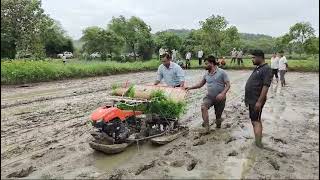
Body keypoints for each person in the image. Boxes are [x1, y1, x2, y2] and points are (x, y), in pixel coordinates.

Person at [186, 55, 230, 133]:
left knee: (218, 118)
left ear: (212, 63)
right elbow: (200, 84)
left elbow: (228, 85)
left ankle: (218, 122)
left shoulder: (221, 72)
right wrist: (190, 87)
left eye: (206, 64)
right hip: (209, 97)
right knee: (203, 107)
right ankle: (207, 127)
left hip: (220, 98)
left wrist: (223, 94)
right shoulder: (206, 74)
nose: (204, 65)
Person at [245, 49, 272, 148]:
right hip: (253, 100)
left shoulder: (266, 69)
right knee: (254, 120)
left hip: (256, 100)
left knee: (256, 121)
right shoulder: (259, 68)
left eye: (253, 57)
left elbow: (266, 86)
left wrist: (259, 101)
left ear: (260, 57)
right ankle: (257, 141)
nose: (252, 59)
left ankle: (258, 144)